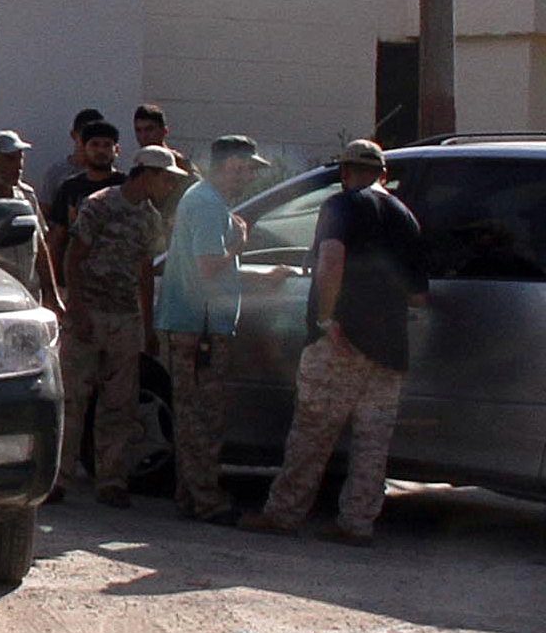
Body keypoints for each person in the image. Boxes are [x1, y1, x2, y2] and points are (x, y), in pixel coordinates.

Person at [242, 138, 426, 544]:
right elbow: (417, 294)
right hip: (390, 349)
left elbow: (330, 261)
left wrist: (328, 318)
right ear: (384, 174)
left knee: (311, 435)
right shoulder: (406, 217)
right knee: (372, 444)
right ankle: (357, 523)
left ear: (343, 174)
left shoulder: (341, 205)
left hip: (340, 344)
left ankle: (284, 514)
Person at [154, 134, 280, 524]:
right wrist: (238, 245)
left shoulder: (206, 201)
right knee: (201, 417)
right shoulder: (208, 204)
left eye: (249, 170)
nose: (245, 177)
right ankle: (207, 500)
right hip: (200, 327)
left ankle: (190, 496)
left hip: (198, 323)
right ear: (222, 167)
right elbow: (209, 266)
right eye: (239, 168)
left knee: (194, 413)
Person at [56, 145, 180, 507]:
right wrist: (76, 311)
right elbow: (73, 257)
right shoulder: (100, 205)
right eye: (166, 178)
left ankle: (111, 479)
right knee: (72, 398)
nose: (169, 186)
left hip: (124, 317)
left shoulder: (150, 218)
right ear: (147, 174)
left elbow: (144, 271)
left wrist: (147, 325)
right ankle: (58, 477)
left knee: (119, 403)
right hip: (90, 311)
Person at [0, 129, 62, 308]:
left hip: (30, 296)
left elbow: (40, 247)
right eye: (10, 159)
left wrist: (52, 294)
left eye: (20, 158)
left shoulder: (27, 197)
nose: (19, 166)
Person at [44, 118, 122, 276]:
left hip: (117, 282)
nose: (101, 151)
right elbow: (57, 238)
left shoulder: (125, 187)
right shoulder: (70, 188)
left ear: (116, 149)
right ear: (84, 148)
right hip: (77, 281)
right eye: (95, 144)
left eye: (107, 145)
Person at [132, 103, 197, 224]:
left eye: (149, 129)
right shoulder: (140, 163)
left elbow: (197, 195)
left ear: (164, 131)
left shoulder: (180, 165)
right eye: (138, 130)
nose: (144, 136)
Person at [37, 107, 106, 203]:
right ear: (73, 135)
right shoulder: (57, 173)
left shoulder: (108, 174)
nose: (89, 143)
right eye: (85, 136)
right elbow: (44, 212)